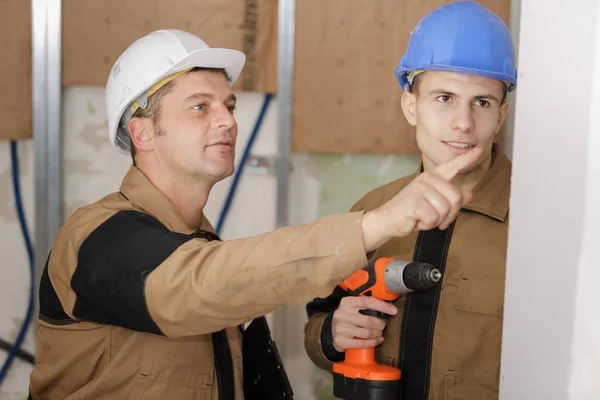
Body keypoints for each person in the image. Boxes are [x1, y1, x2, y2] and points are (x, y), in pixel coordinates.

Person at [28, 29, 481, 399]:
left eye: (228, 106)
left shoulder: (203, 248)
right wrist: (376, 225)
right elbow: (194, 285)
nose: (227, 120)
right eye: (200, 107)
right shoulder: (96, 238)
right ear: (143, 132)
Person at [303, 2, 517, 399]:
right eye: (444, 98)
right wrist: (331, 336)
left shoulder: (537, 221)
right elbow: (319, 318)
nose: (464, 122)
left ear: (501, 115)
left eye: (482, 102)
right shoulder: (372, 211)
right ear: (410, 106)